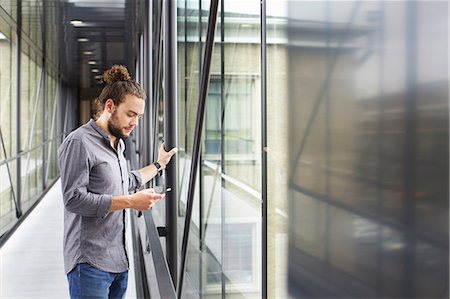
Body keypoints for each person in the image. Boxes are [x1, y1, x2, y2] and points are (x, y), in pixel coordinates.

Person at [58, 64, 176, 299]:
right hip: (89, 263)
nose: (135, 123)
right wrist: (132, 202)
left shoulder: (117, 143)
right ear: (109, 106)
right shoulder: (79, 142)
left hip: (118, 261)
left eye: (139, 117)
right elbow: (73, 199)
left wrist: (159, 165)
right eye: (131, 114)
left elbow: (126, 180)